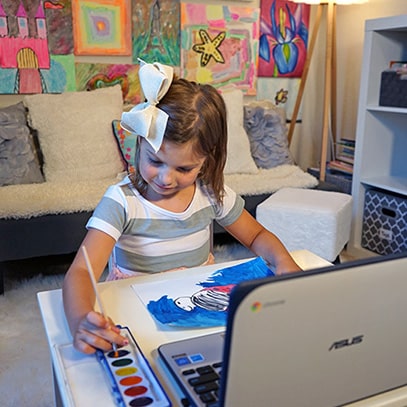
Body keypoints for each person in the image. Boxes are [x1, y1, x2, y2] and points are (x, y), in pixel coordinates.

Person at [63, 60, 301, 354]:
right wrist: (79, 321)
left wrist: (283, 261)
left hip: (200, 313)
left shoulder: (213, 193)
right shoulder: (121, 201)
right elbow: (81, 273)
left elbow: (255, 237)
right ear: (140, 144)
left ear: (206, 161)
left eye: (184, 168)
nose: (165, 178)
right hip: (137, 317)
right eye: (155, 161)